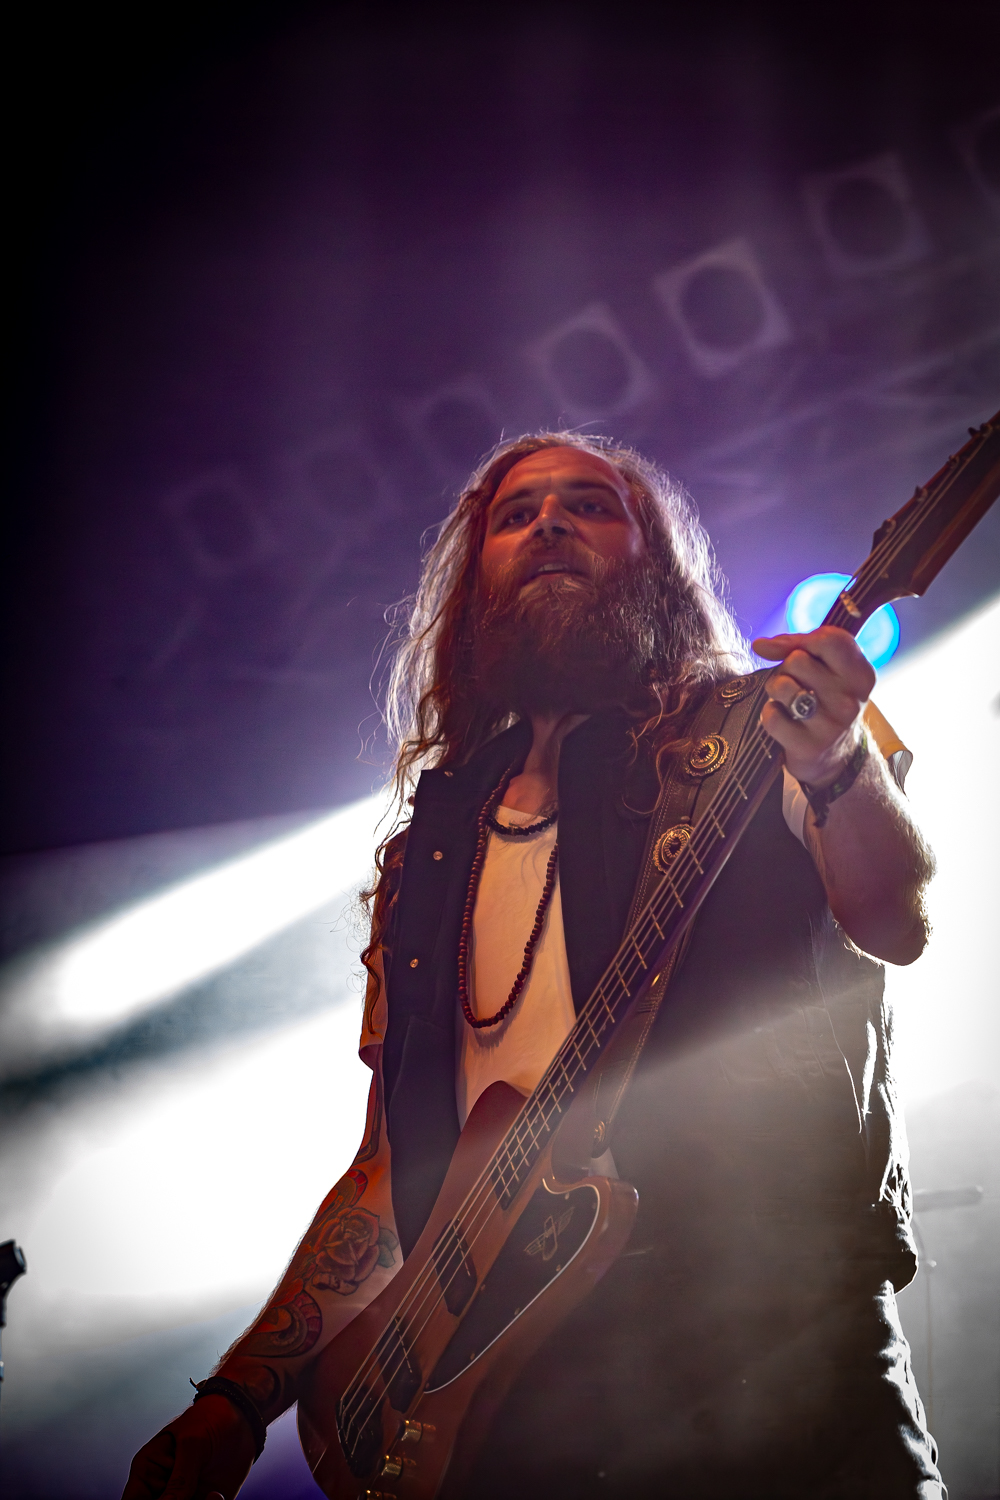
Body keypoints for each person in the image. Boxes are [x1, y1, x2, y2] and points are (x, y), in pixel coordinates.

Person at [122, 434, 944, 1500]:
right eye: (515, 516)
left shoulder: (763, 730)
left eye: (590, 505)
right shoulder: (429, 851)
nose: (549, 522)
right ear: (474, 588)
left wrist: (836, 764)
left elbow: (896, 920)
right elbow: (388, 1175)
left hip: (777, 1360)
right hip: (522, 1415)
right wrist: (238, 1398)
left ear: (656, 564)